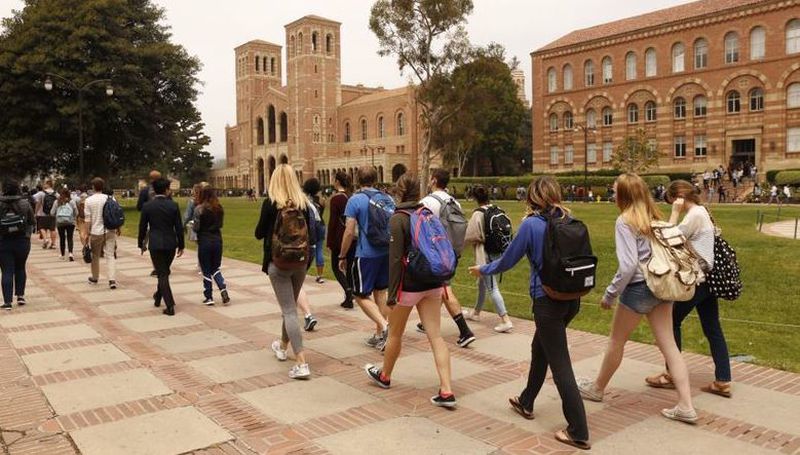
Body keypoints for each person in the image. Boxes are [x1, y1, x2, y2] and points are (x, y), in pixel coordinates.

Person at [469, 176, 589, 450]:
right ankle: (526, 401)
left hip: (547, 301)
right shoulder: (569, 219)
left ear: (531, 197)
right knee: (540, 349)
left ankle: (578, 429)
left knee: (560, 364)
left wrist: (482, 269)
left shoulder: (532, 224)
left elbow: (508, 259)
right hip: (572, 298)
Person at [576, 173, 697, 425]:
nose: (612, 193)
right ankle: (686, 405)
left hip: (640, 288)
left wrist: (610, 294)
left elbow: (629, 265)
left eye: (615, 190)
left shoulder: (625, 221)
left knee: (616, 341)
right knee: (670, 346)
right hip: (662, 287)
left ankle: (597, 388)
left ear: (623, 195)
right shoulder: (655, 218)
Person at [364, 172, 457, 408]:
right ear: (418, 191)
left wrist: (393, 294)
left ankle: (385, 375)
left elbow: (395, 260)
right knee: (435, 336)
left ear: (398, 190)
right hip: (433, 282)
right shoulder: (426, 213)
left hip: (409, 286)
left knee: (395, 334)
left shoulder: (398, 218)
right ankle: (446, 390)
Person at [645, 180, 732, 398]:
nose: (673, 204)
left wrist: (674, 213)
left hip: (698, 279)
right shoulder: (703, 211)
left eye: (672, 200)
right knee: (712, 327)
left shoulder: (694, 215)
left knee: (671, 322)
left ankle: (671, 374)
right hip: (708, 278)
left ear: (679, 197)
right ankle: (723, 379)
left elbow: (669, 238)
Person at [255, 164, 313, 379]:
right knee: (289, 305)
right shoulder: (303, 203)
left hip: (278, 262)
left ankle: (301, 362)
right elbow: (312, 233)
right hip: (300, 261)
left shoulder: (271, 204)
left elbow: (259, 233)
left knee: (289, 310)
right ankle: (281, 345)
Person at [418, 169, 476, 348]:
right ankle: (426, 321)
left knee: (444, 290)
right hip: (451, 253)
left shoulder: (427, 202)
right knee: (436, 288)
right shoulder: (454, 202)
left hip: (435, 254)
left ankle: (465, 330)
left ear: (434, 180)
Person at [339, 166, 391, 349]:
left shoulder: (355, 200)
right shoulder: (387, 198)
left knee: (359, 294)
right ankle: (379, 333)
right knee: (381, 292)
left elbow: (349, 232)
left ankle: (385, 328)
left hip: (367, 253)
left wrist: (342, 255)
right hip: (387, 250)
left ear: (357, 180)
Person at [463, 186, 513, 333]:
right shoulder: (498, 209)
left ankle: (505, 320)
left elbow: (471, 235)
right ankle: (476, 312)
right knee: (482, 282)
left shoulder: (477, 214)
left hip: (486, 254)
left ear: (474, 198)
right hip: (499, 252)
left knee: (492, 286)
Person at [138, 178, 184, 315]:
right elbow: (179, 227)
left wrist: (141, 242)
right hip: (170, 243)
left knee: (162, 273)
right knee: (164, 271)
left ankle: (169, 304)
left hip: (156, 243)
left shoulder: (148, 206)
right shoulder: (173, 205)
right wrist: (181, 244)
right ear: (166, 190)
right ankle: (159, 296)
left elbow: (142, 227)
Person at [0, 181, 35, 310]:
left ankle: (7, 302)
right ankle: (20, 296)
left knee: (6, 270)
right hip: (22, 240)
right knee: (20, 267)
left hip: (3, 241)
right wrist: (27, 235)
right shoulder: (25, 203)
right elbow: (32, 221)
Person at [193, 187, 229, 306]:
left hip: (204, 240)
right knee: (216, 267)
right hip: (217, 240)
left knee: (206, 269)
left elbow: (196, 227)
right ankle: (223, 288)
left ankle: (209, 296)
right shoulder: (219, 208)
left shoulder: (199, 209)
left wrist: (193, 226)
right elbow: (221, 224)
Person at [84, 178, 119, 289]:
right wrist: (118, 227)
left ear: (93, 187)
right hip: (110, 230)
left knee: (95, 255)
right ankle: (112, 279)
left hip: (96, 231)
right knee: (110, 255)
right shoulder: (110, 198)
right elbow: (116, 213)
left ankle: (95, 277)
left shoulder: (89, 200)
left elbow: (87, 219)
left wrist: (86, 233)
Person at [327, 172, 355, 309]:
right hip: (353, 237)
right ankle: (349, 296)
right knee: (349, 266)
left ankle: (348, 290)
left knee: (336, 266)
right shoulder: (351, 197)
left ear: (337, 181)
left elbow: (332, 223)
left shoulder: (336, 199)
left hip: (339, 237)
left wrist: (329, 241)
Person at [138, 170, 162, 277]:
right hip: (164, 219)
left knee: (153, 243)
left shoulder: (145, 191)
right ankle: (163, 265)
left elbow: (139, 206)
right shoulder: (165, 190)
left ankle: (156, 267)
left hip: (150, 219)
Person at [303, 178, 327, 284]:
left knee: (308, 248)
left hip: (311, 225)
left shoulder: (305, 200)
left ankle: (302, 272)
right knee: (319, 249)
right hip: (321, 224)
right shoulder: (322, 199)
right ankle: (320, 275)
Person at [51, 187, 78, 261]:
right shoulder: (71, 201)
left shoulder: (57, 202)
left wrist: (57, 216)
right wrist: (74, 217)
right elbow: (76, 212)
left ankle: (62, 255)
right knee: (70, 237)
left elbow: (52, 212)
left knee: (62, 238)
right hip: (70, 222)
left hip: (60, 222)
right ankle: (70, 253)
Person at [33, 180, 57, 250]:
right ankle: (53, 244)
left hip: (42, 214)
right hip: (53, 214)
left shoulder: (41, 193)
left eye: (44, 184)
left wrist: (35, 212)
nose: (43, 185)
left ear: (47, 184)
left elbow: (36, 201)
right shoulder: (56, 193)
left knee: (42, 228)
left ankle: (45, 239)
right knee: (52, 229)